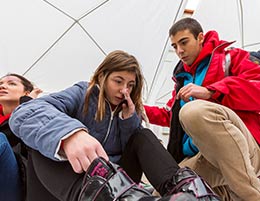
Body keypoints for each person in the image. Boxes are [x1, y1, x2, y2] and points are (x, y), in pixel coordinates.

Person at [9, 50, 219, 201]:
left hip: (122, 186)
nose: (124, 90)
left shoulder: (127, 110)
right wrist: (70, 135)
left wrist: (129, 122)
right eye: (118, 81)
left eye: (130, 85)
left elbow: (135, 153)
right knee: (43, 138)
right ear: (103, 76)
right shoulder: (83, 93)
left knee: (142, 135)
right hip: (71, 184)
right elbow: (24, 113)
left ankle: (188, 192)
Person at [144, 17, 260, 200]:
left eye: (184, 42)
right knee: (163, 194)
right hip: (204, 156)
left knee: (193, 112)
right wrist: (137, 108)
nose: (179, 51)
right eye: (174, 46)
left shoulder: (231, 58)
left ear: (200, 38)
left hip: (244, 147)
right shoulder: (182, 80)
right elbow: (169, 116)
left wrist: (211, 91)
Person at [0, 73, 42, 201]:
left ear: (26, 93)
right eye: (0, 84)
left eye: (11, 83)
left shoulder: (38, 114)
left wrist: (27, 103)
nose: (2, 87)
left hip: (16, 184)